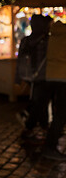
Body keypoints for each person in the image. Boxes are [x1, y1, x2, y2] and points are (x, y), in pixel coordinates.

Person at [15, 14, 53, 142]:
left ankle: (42, 126)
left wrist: (18, 78)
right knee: (40, 102)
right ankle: (30, 127)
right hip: (44, 76)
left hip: (30, 76)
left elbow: (20, 60)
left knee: (40, 102)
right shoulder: (47, 40)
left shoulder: (26, 40)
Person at [41, 20, 66, 161]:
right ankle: (50, 146)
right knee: (61, 114)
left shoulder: (52, 36)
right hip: (63, 78)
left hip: (51, 77)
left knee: (58, 113)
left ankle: (51, 143)